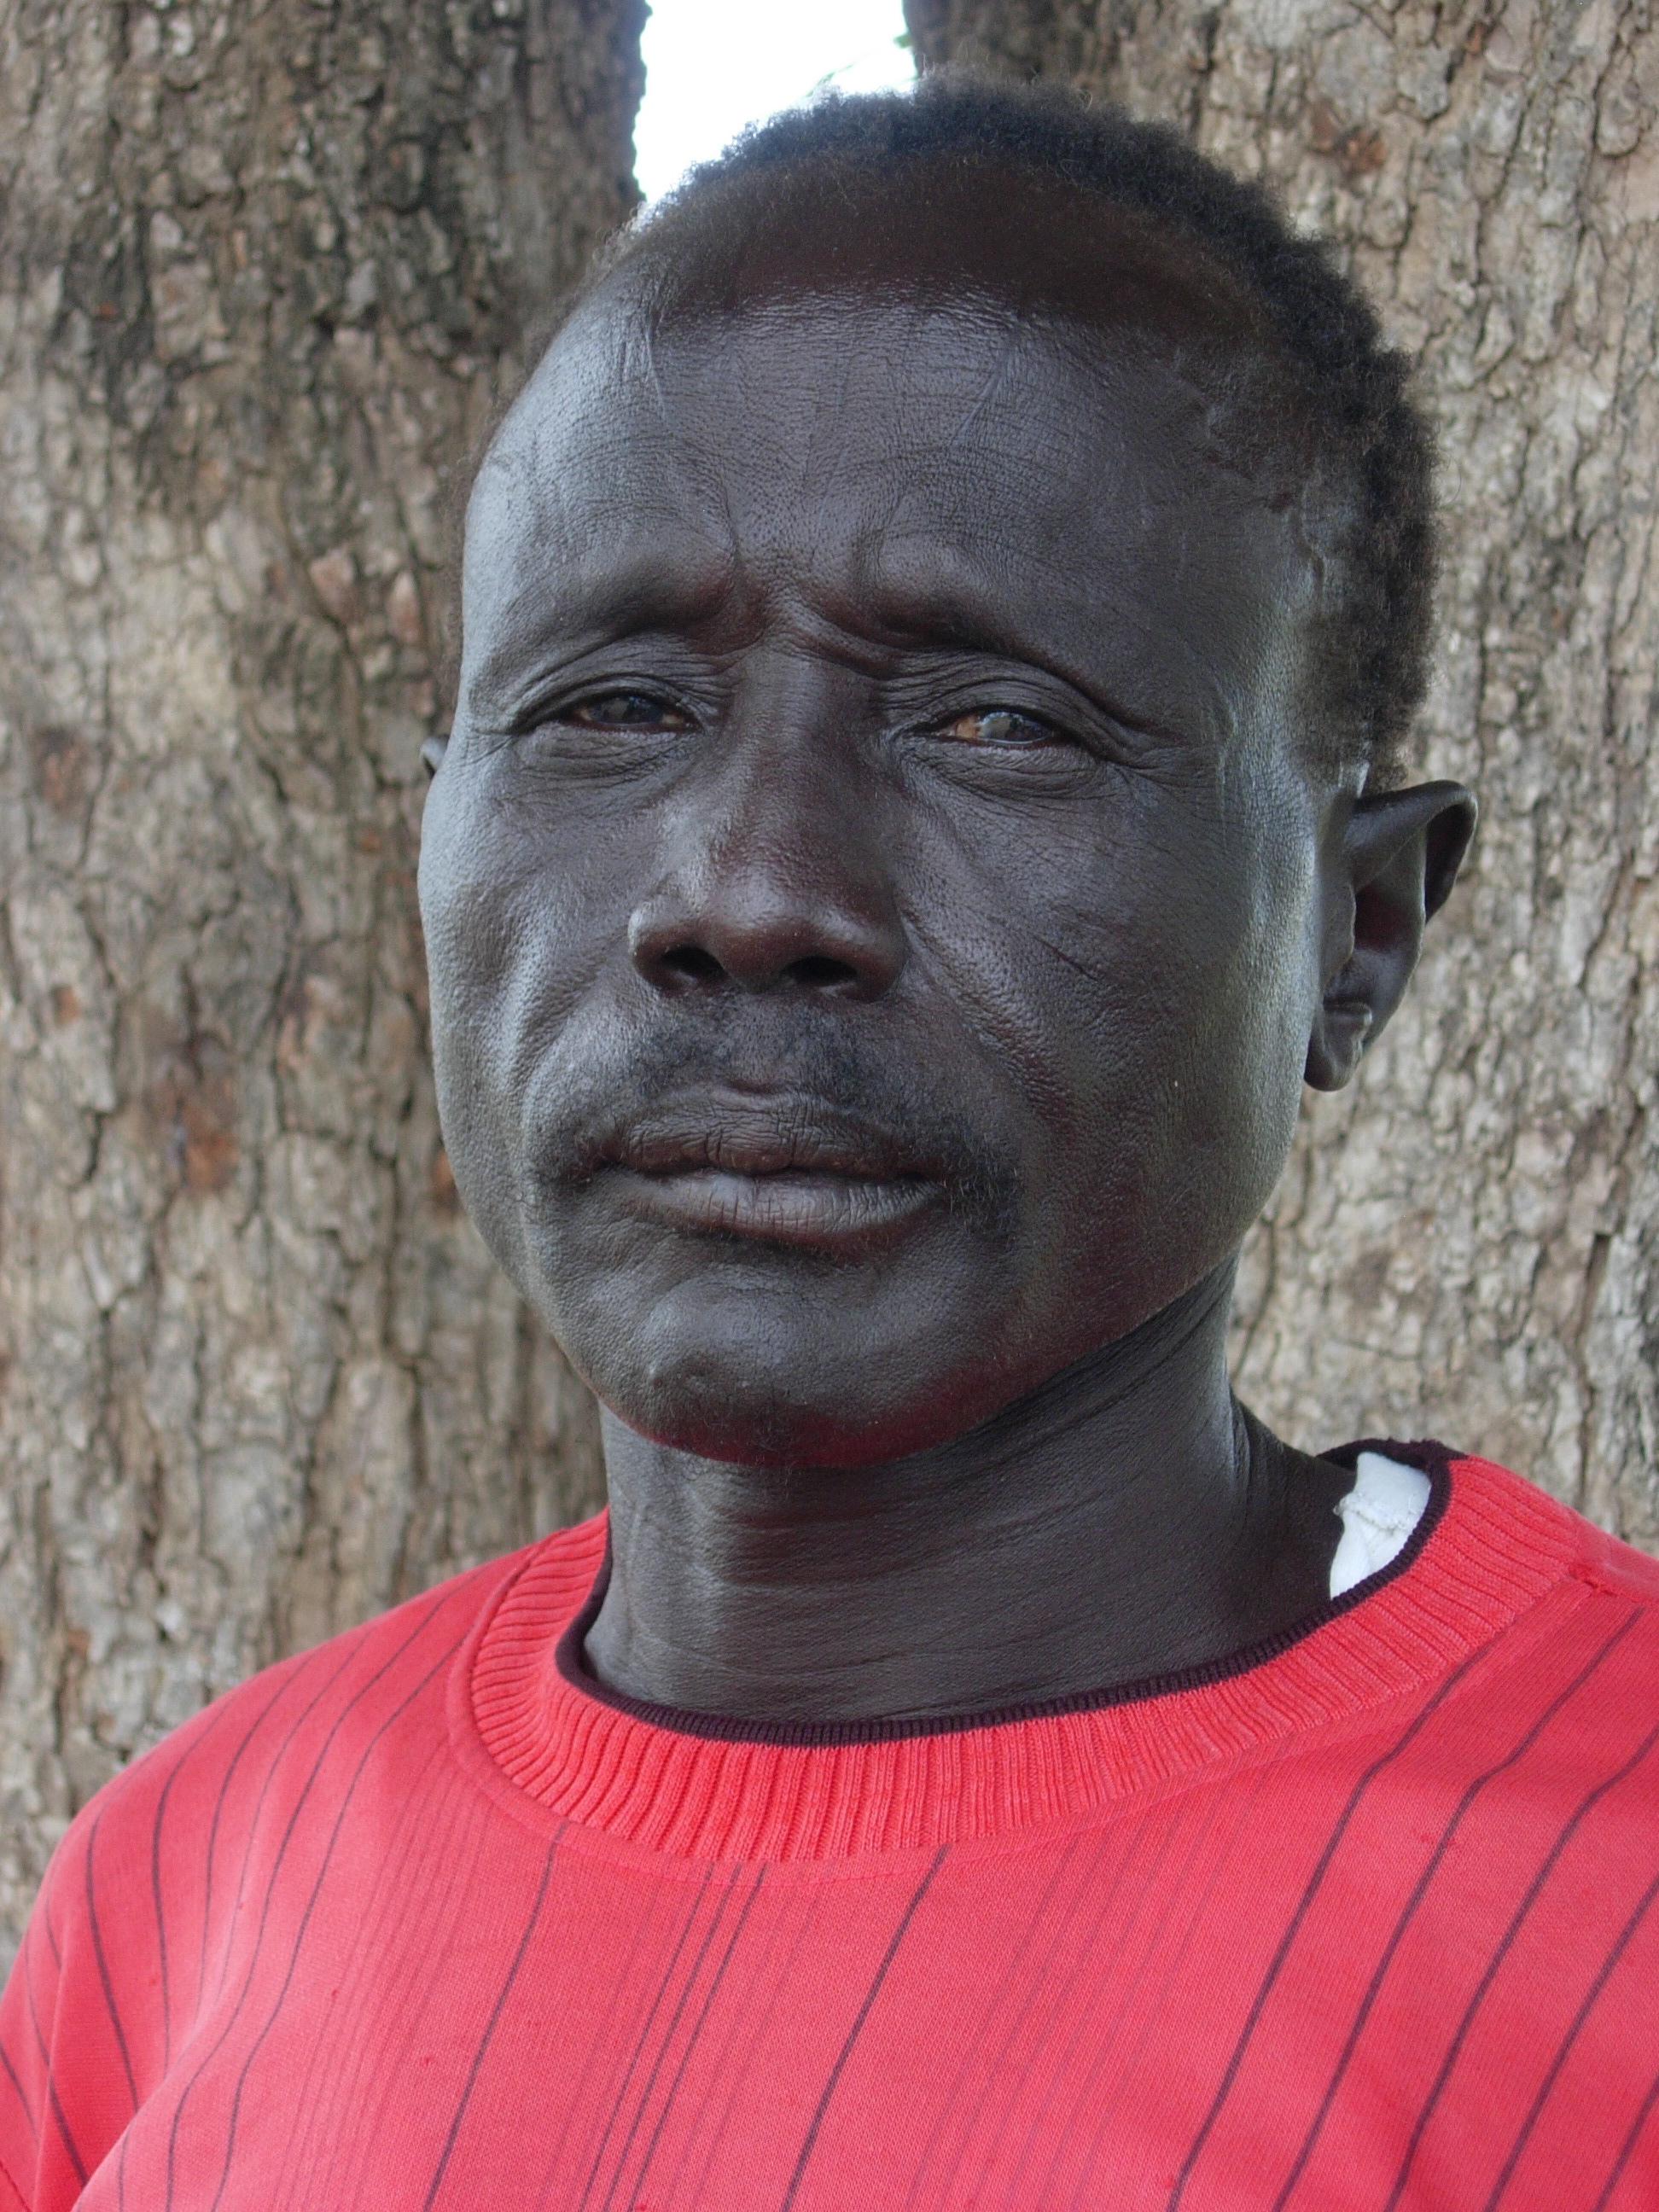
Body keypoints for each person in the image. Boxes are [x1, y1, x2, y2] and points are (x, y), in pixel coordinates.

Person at [3, 75, 1656, 2212]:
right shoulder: (186, 1885)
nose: (751, 886)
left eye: (993, 722)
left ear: (1356, 932)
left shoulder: (1607, 1907)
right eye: (613, 705)